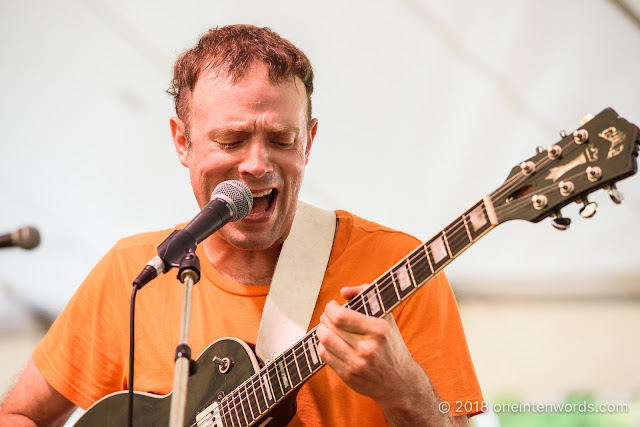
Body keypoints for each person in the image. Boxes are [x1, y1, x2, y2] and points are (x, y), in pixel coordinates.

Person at [0, 24, 483, 426]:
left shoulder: (395, 265)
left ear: (308, 142)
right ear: (182, 142)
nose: (256, 164)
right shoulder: (138, 270)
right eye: (231, 140)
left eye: (280, 138)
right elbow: (18, 416)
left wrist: (405, 392)